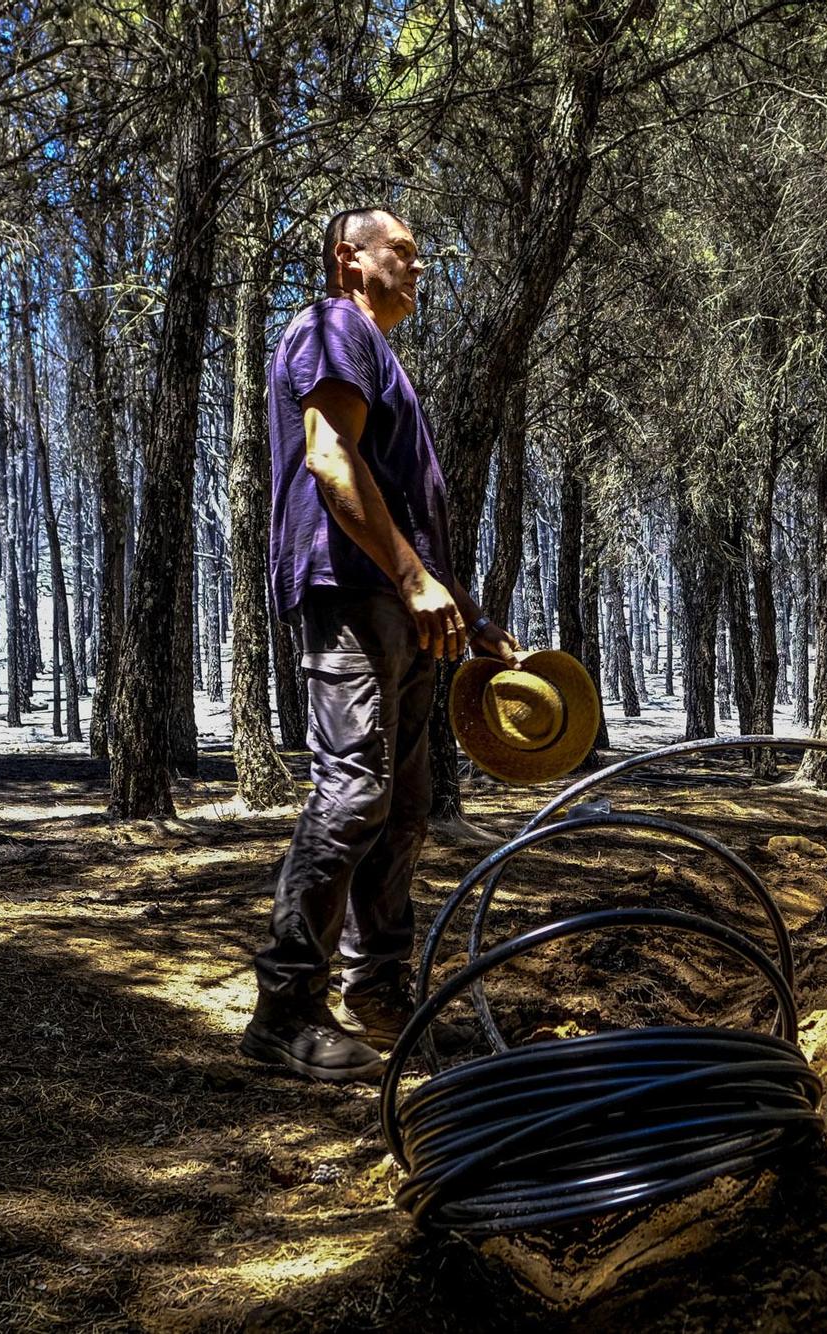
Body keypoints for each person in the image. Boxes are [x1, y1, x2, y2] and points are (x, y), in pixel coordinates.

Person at [242, 208, 523, 1083]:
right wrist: (409, 581)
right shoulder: (333, 326)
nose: (419, 266)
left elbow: (399, 509)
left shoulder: (378, 353)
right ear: (348, 260)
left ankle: (379, 994)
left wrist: (466, 617)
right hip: (350, 594)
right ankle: (285, 1011)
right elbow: (331, 461)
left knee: (404, 808)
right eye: (402, 251)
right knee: (354, 795)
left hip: (395, 604)